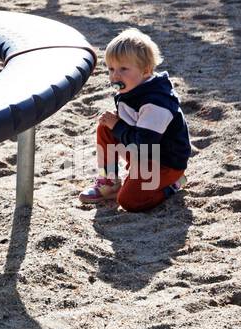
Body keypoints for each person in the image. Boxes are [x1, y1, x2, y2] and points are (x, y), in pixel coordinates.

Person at [79, 28, 190, 211]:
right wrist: (114, 125)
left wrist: (118, 125)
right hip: (143, 152)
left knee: (129, 201)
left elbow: (144, 143)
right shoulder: (133, 89)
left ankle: (173, 185)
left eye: (123, 69)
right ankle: (110, 181)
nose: (115, 76)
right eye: (111, 69)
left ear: (145, 70)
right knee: (105, 128)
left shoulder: (156, 103)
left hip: (163, 163)